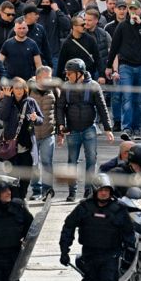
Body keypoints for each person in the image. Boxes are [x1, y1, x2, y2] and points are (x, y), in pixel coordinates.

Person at [59, 173, 136, 281]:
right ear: (95, 191)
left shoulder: (118, 209)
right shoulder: (84, 207)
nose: (104, 193)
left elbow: (128, 233)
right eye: (101, 190)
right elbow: (68, 227)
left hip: (110, 256)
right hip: (90, 256)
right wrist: (64, 250)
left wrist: (129, 254)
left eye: (107, 190)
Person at [56, 58, 114, 201]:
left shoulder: (93, 86)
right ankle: (72, 192)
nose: (67, 76)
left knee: (91, 160)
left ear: (80, 73)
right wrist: (61, 127)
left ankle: (88, 191)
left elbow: (102, 107)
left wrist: (108, 128)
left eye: (70, 73)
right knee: (72, 162)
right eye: (67, 73)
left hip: (89, 129)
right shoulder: (66, 87)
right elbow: (60, 108)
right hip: (72, 130)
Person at [107, 0, 141, 141]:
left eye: (134, 9)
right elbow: (114, 47)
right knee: (128, 97)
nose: (132, 11)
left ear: (140, 10)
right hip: (126, 66)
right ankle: (127, 128)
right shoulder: (122, 26)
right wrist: (109, 66)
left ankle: (137, 128)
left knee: (138, 100)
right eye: (130, 9)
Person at [0, 77, 44, 199]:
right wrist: (7, 98)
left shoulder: (30, 102)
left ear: (25, 89)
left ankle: (21, 199)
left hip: (26, 146)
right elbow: (1, 116)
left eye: (21, 88)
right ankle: (14, 200)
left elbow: (41, 120)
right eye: (16, 88)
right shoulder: (7, 101)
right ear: (12, 89)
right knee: (12, 177)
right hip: (10, 146)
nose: (18, 91)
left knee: (25, 176)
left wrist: (35, 118)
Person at [28, 66, 59, 200]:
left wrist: (61, 131)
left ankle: (47, 191)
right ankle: (36, 191)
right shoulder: (28, 89)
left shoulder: (54, 91)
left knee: (47, 163)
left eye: (50, 77)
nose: (49, 80)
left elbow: (59, 110)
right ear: (38, 78)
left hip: (48, 133)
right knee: (34, 164)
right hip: (32, 134)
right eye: (47, 77)